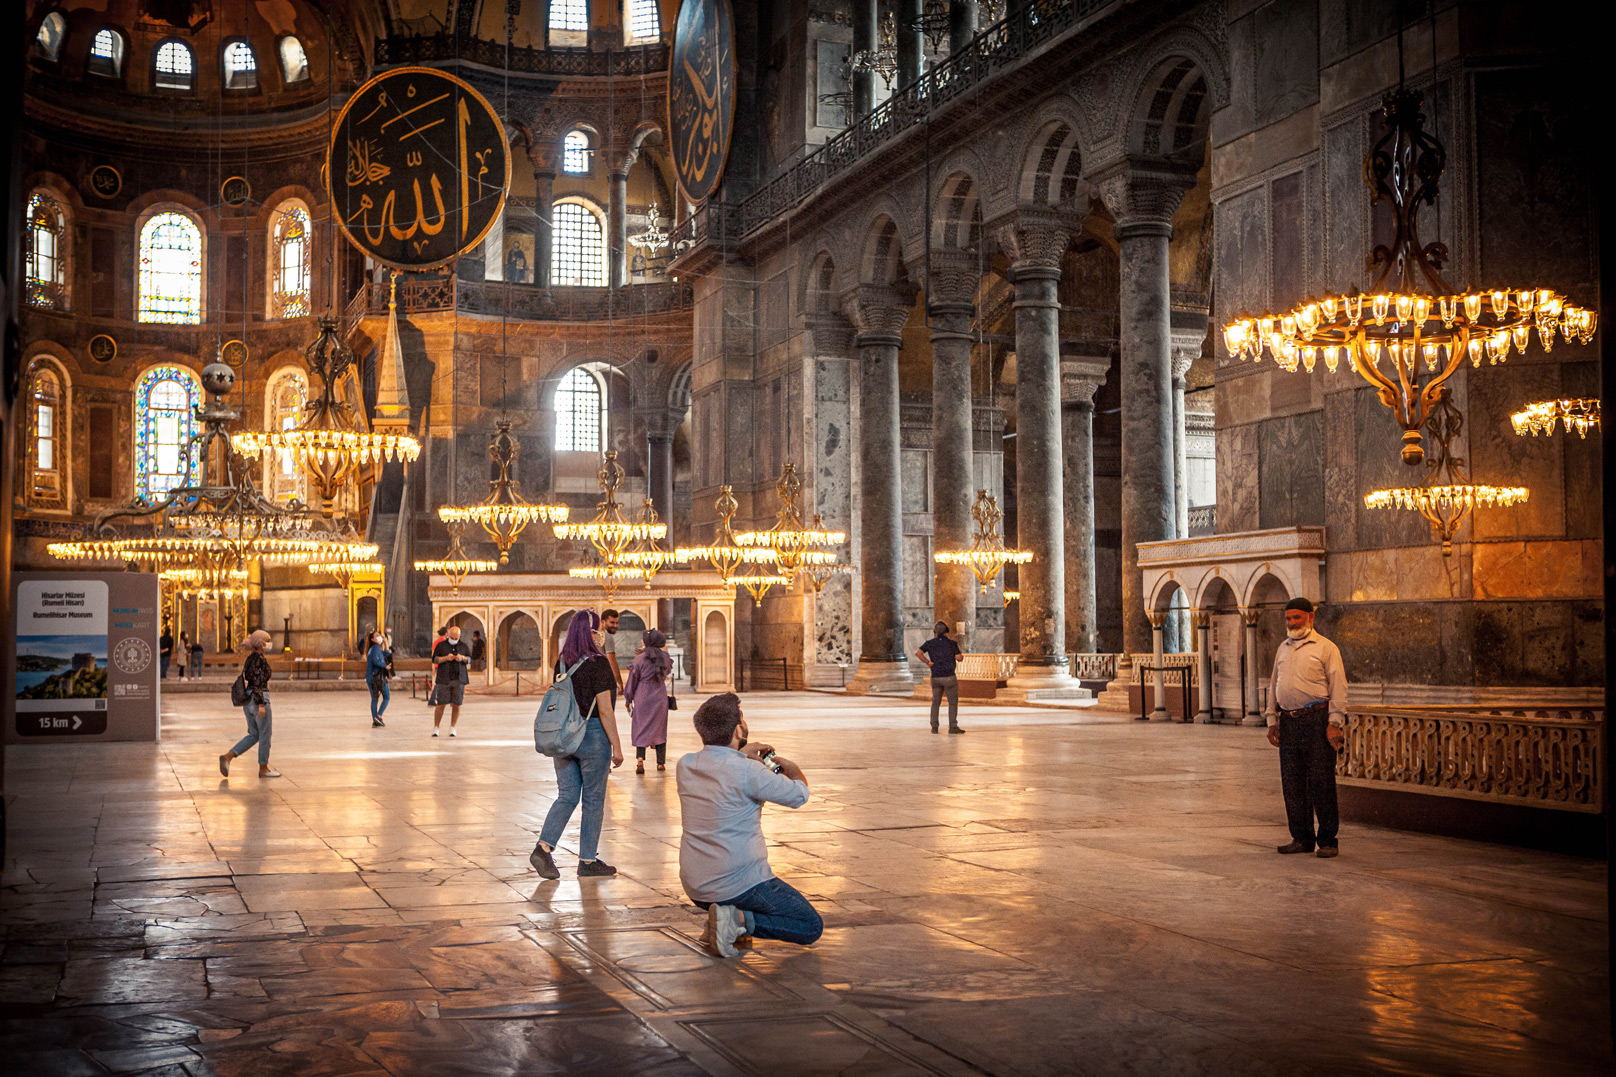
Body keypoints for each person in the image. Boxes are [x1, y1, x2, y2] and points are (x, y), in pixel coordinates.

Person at [677, 692, 821, 958]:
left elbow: (722, 769)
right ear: (737, 729)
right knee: (809, 925)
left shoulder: (685, 765)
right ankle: (736, 921)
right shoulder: (750, 771)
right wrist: (788, 766)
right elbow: (799, 795)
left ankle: (722, 919)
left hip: (695, 886)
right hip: (738, 884)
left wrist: (741, 754)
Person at [530, 610, 625, 879]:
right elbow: (605, 711)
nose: (603, 634)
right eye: (599, 630)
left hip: (564, 737)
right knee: (593, 801)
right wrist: (617, 747)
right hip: (592, 735)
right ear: (592, 633)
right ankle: (587, 861)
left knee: (567, 795)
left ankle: (543, 848)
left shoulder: (562, 663)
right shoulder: (598, 663)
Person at [1265, 597, 1348, 859]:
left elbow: (1338, 688)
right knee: (1292, 782)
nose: (1291, 623)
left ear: (1310, 618)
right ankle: (1301, 837)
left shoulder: (1326, 648)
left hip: (1317, 721)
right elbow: (1273, 684)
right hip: (1289, 722)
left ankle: (1327, 840)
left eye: (1297, 617)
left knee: (1321, 781)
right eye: (1288, 618)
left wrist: (1335, 723)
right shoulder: (1283, 648)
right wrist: (1271, 719)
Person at [219, 629, 278, 778]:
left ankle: (228, 756)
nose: (270, 643)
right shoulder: (259, 659)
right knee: (265, 734)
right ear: (261, 643)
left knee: (254, 734)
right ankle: (263, 768)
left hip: (249, 700)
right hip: (259, 698)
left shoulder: (250, 658)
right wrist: (262, 704)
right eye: (268, 640)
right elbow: (258, 681)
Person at [624, 629, 672, 774]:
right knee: (660, 728)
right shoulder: (665, 657)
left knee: (641, 727)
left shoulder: (640, 659)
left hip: (643, 695)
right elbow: (667, 671)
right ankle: (660, 763)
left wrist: (628, 698)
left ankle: (640, 760)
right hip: (659, 695)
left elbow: (633, 680)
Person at [915, 621, 964, 734]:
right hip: (949, 676)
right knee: (952, 702)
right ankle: (952, 727)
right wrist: (959, 656)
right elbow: (959, 658)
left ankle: (934, 727)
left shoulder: (930, 643)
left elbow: (918, 653)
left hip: (936, 676)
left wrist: (928, 662)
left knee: (935, 702)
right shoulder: (952, 643)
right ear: (947, 632)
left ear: (935, 632)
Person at [431, 625, 471, 736]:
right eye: (452, 638)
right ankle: (436, 727)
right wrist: (445, 658)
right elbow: (434, 659)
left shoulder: (464, 646)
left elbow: (469, 659)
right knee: (441, 704)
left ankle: (453, 727)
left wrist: (462, 658)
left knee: (457, 704)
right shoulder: (441, 645)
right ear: (448, 635)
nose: (453, 640)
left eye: (456, 638)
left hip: (459, 679)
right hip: (444, 678)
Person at [366, 630, 393, 728]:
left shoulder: (373, 649)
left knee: (374, 699)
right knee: (387, 696)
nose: (379, 637)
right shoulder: (376, 648)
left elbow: (387, 653)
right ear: (373, 639)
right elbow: (376, 661)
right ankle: (379, 715)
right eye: (377, 636)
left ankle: (375, 721)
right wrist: (385, 666)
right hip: (378, 677)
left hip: (370, 677)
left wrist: (385, 642)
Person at [600, 608, 624, 695]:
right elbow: (611, 661)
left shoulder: (593, 634)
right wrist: (619, 683)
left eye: (617, 623)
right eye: (612, 623)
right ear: (603, 622)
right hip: (604, 682)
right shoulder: (607, 636)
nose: (615, 626)